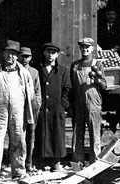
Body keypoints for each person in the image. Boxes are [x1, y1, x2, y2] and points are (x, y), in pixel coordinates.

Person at [0, 40, 37, 180]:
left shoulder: (24, 73)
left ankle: (19, 170)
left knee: (18, 139)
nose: (10, 56)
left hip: (17, 111)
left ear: (17, 56)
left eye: (14, 54)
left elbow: (30, 94)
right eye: (8, 53)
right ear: (3, 54)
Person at [70, 37, 108, 166]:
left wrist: (97, 79)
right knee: (77, 132)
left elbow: (104, 85)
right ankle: (77, 162)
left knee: (94, 132)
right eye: (82, 47)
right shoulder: (75, 65)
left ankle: (95, 162)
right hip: (78, 101)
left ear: (92, 48)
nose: (85, 49)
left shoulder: (97, 64)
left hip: (93, 102)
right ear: (80, 48)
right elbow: (72, 86)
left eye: (87, 47)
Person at [35, 42, 71, 172]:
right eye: (48, 52)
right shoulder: (38, 69)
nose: (51, 55)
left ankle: (56, 162)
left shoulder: (62, 70)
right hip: (42, 108)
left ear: (57, 55)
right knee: (42, 134)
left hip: (56, 109)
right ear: (44, 53)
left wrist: (63, 105)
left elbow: (66, 88)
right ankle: (41, 162)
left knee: (57, 135)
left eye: (53, 53)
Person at [18, 46, 43, 173]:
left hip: (31, 109)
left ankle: (29, 162)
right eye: (22, 56)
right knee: (18, 136)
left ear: (31, 58)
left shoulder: (34, 72)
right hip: (17, 108)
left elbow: (38, 91)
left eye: (27, 56)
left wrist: (37, 104)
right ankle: (18, 163)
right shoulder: (14, 71)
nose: (24, 59)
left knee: (30, 137)